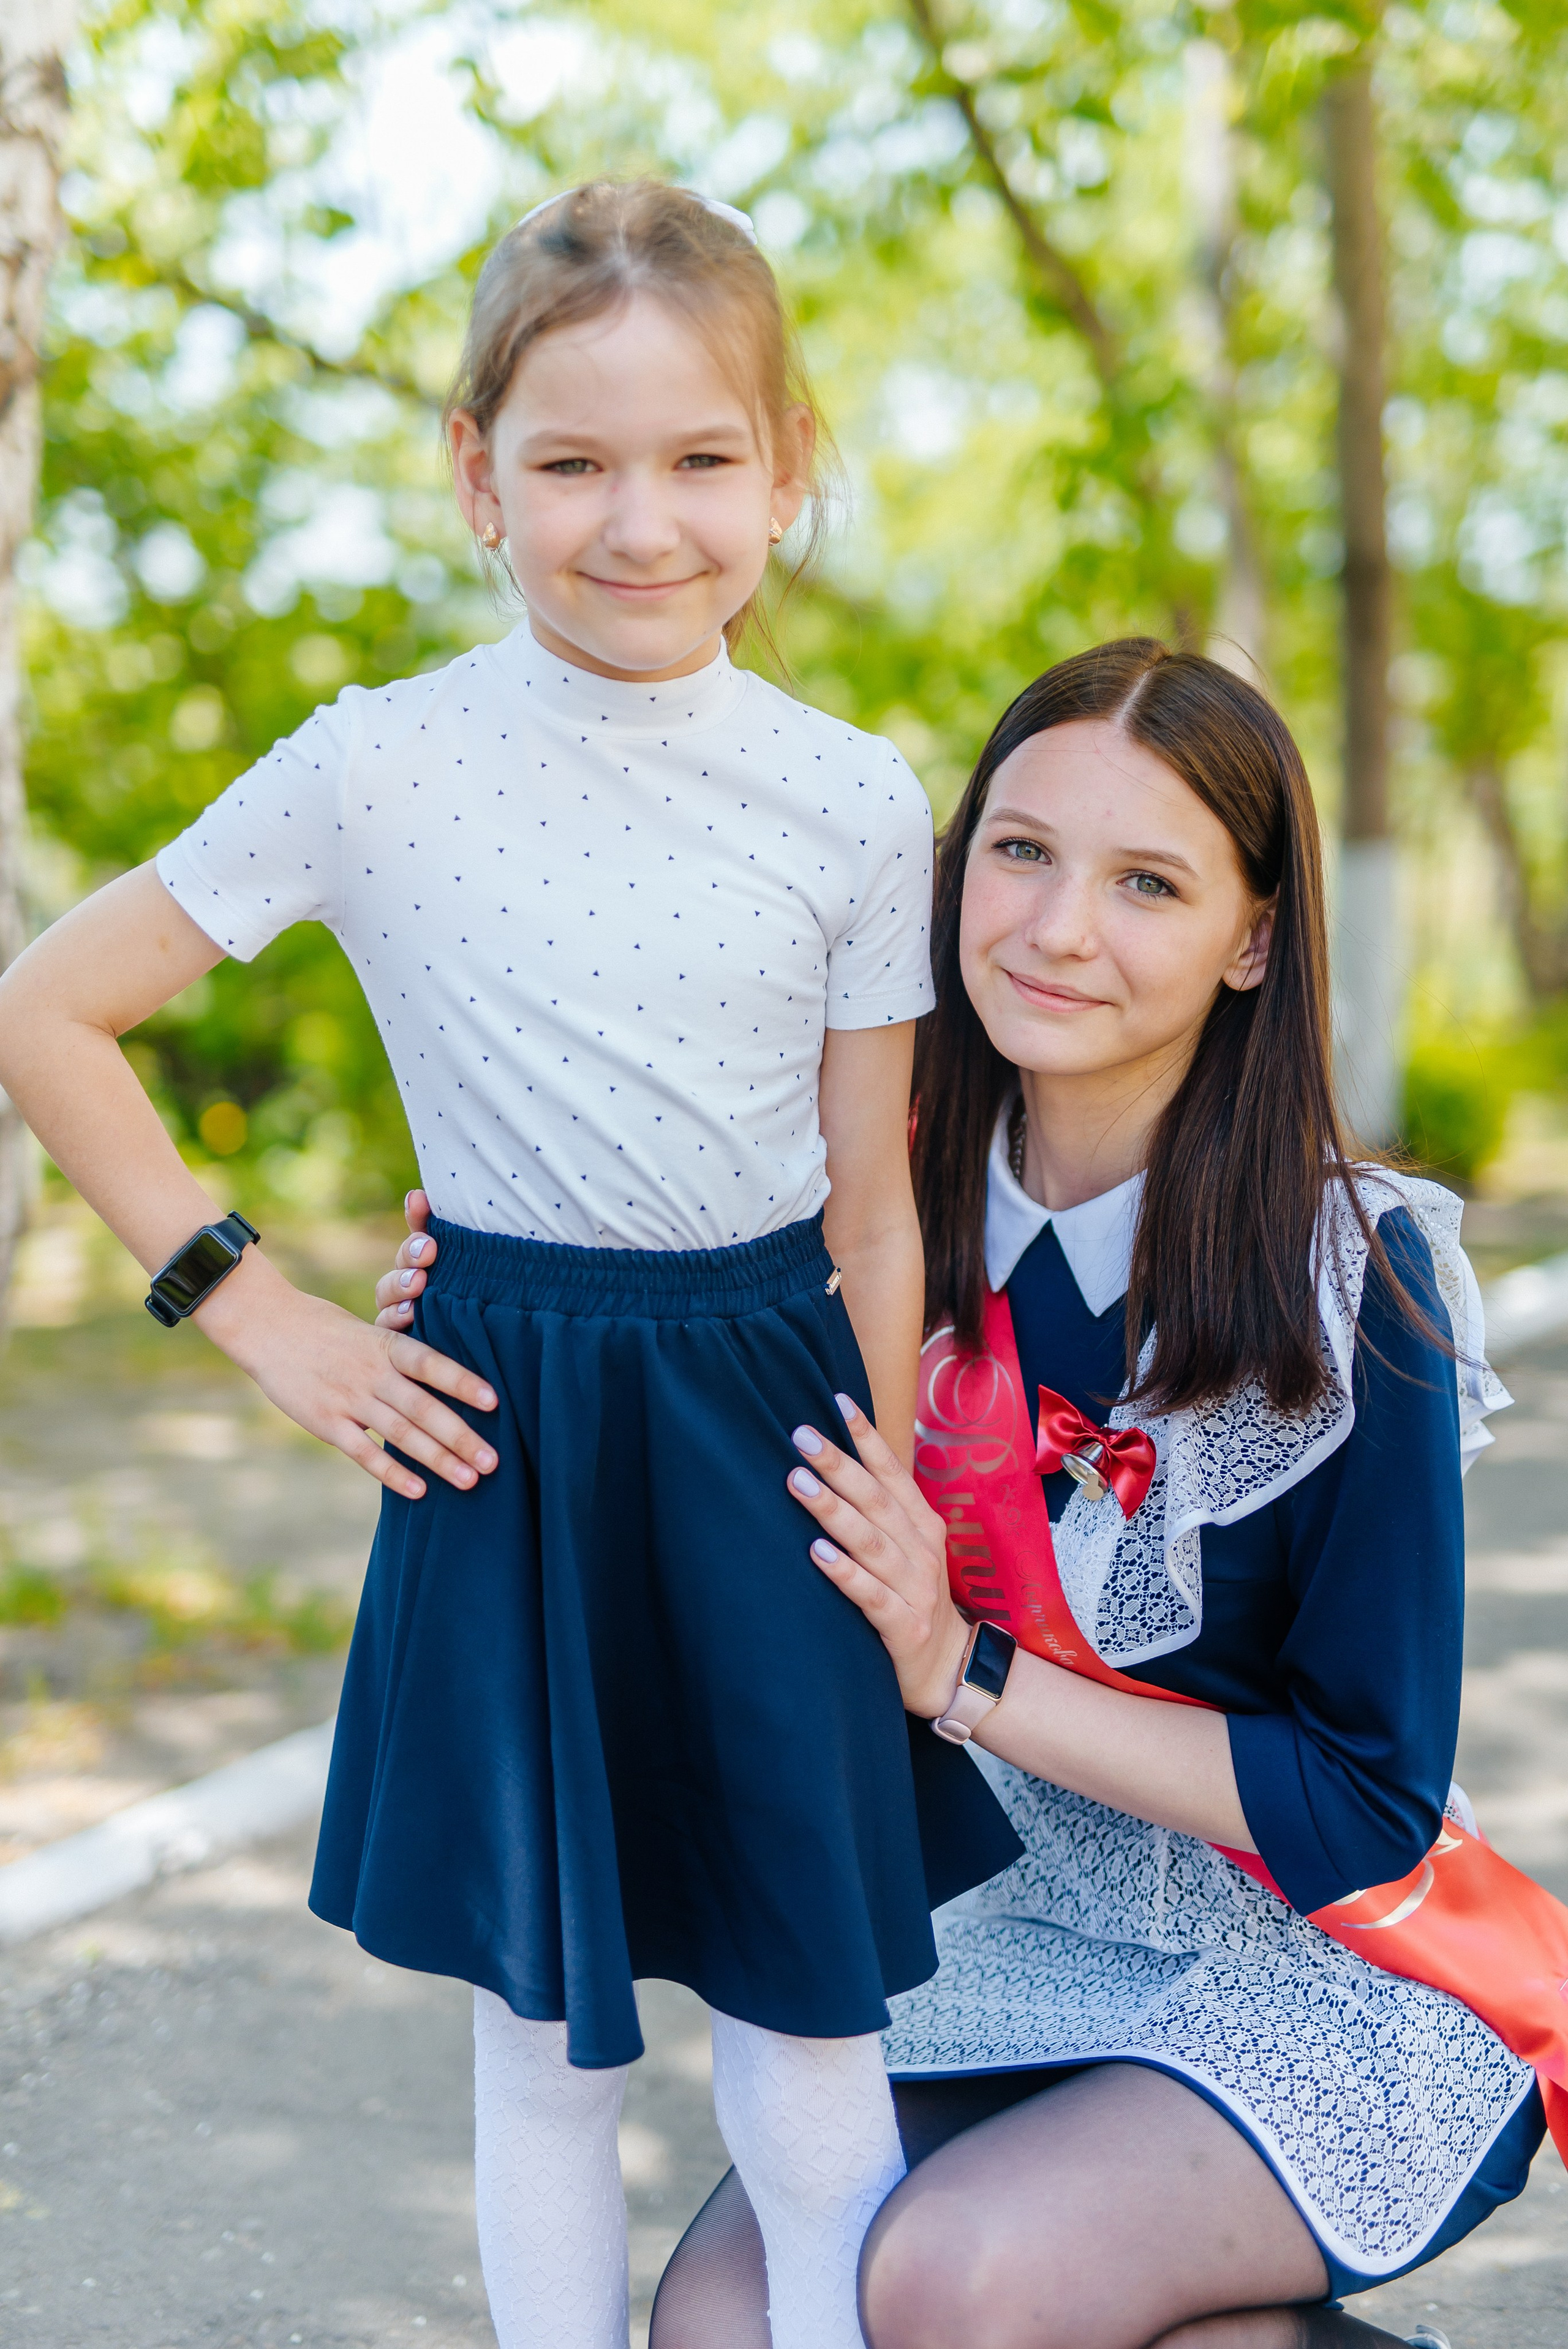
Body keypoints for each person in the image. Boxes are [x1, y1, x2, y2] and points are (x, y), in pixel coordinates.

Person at [0, 179, 1021, 2349]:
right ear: (477, 473)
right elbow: (42, 1005)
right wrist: (255, 1310)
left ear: (788, 472)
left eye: (699, 459)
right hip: (503, 1435)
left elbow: (873, 1201)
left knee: (813, 2068)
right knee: (546, 2052)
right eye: (571, 462)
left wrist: (903, 1489)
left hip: (782, 1426)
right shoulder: (379, 762)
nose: (638, 521)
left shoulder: (853, 798)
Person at [538, 638, 1536, 2349]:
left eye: (1149, 881)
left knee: (960, 2283)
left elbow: (1368, 1800)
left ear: (1253, 937)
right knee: (725, 2320)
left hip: (1302, 1962)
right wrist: (463, 1307)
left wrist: (970, 1671)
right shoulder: (845, 1208)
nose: (1059, 928)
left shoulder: (1358, 1280)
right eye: (1020, 850)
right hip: (993, 1933)